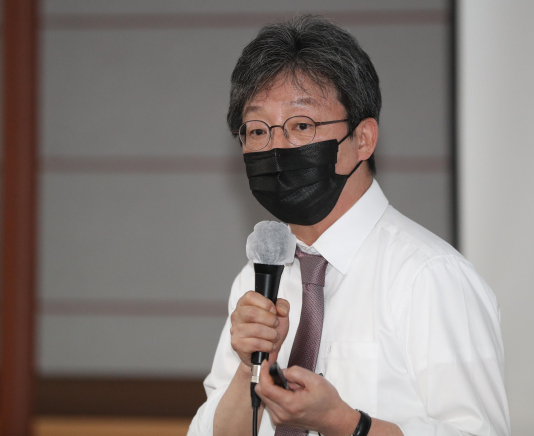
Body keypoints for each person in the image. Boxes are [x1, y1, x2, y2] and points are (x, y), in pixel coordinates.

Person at [188, 14, 510, 436]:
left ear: (363, 139)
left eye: (301, 125)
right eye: (257, 129)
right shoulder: (257, 278)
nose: (277, 146)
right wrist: (250, 368)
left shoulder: (429, 277)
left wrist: (344, 424)